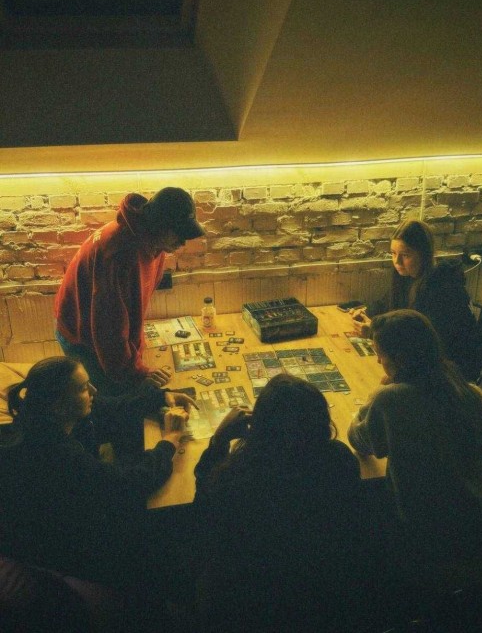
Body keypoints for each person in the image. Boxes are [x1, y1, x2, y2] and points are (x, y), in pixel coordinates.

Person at [348, 310, 482, 617]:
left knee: (360, 531)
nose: (377, 361)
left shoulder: (390, 400)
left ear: (398, 359)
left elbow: (359, 439)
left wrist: (376, 394)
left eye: (380, 355)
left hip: (433, 562)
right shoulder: (473, 394)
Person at [192, 373, 380, 633]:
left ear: (258, 426)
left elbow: (202, 516)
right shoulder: (340, 459)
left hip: (256, 603)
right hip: (327, 593)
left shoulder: (236, 477)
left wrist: (219, 441)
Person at [0, 356, 195, 590]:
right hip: (61, 542)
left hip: (79, 502)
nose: (93, 390)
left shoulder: (46, 415)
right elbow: (128, 483)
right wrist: (170, 441)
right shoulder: (56, 452)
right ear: (58, 405)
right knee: (168, 526)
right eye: (83, 388)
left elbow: (112, 407)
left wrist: (160, 397)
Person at [55, 187, 205, 395]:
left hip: (103, 327)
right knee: (109, 400)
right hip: (82, 335)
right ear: (158, 225)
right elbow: (108, 331)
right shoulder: (119, 255)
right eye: (178, 233)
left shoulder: (153, 243)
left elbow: (128, 309)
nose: (182, 242)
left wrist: (135, 359)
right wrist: (137, 372)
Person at [350, 218, 478, 380]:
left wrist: (374, 333)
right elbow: (386, 304)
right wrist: (366, 312)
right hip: (419, 366)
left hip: (445, 374)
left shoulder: (443, 290)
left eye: (405, 255)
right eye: (393, 253)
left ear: (424, 255)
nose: (397, 261)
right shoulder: (408, 276)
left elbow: (425, 347)